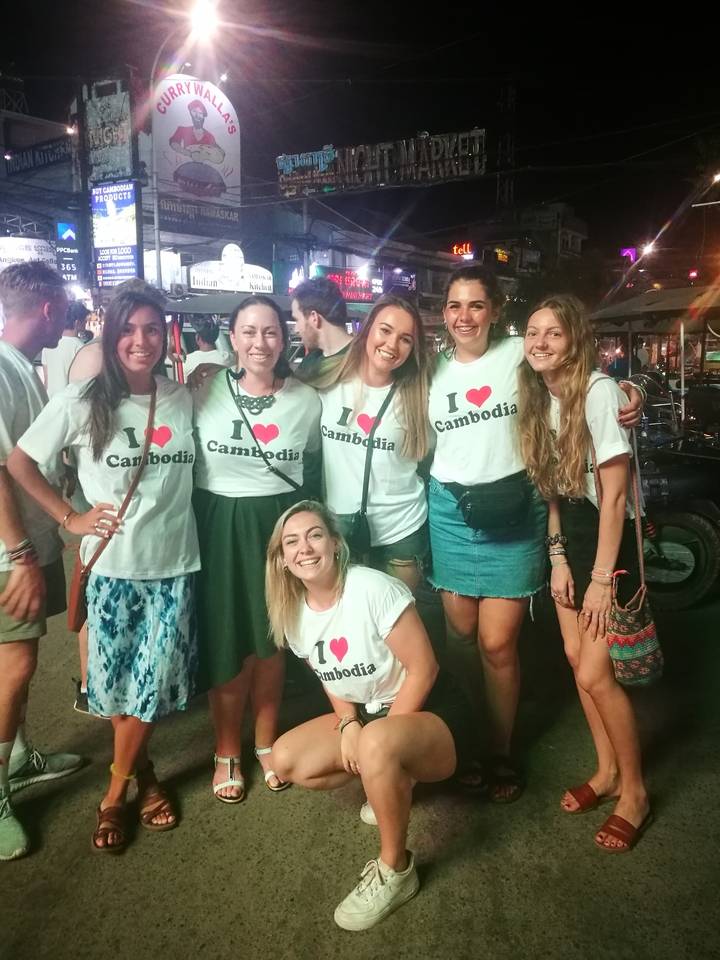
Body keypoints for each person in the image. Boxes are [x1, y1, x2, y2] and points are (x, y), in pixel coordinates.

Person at [427, 265, 643, 801]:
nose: (464, 315)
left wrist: (629, 388)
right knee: (460, 638)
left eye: (476, 304)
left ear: (496, 311)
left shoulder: (519, 353)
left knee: (497, 642)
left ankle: (499, 751)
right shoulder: (428, 368)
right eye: (455, 305)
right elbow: (362, 364)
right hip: (451, 512)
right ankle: (467, 740)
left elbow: (582, 369)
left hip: (520, 510)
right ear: (444, 313)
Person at [8, 287, 200, 854]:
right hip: (111, 568)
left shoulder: (183, 397)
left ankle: (114, 794)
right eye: (129, 329)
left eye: (152, 329)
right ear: (110, 333)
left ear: (166, 336)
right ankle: (148, 779)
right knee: (119, 690)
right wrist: (70, 516)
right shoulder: (81, 399)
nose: (141, 341)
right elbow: (19, 461)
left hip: (175, 565)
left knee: (152, 682)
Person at [265, 501, 474, 931]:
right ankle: (394, 778)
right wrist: (347, 722)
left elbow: (424, 669)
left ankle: (396, 870)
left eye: (315, 535)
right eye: (292, 541)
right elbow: (331, 678)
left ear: (336, 544)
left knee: (377, 743)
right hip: (369, 713)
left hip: (433, 712)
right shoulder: (292, 614)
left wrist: (374, 734)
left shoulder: (373, 588)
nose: (304, 547)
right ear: (282, 560)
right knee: (286, 759)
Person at [519, 294, 652, 852]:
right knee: (577, 662)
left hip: (606, 537)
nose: (540, 343)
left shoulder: (597, 392)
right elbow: (553, 493)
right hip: (569, 534)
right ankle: (606, 773)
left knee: (598, 673)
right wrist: (555, 558)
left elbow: (616, 495)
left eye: (554, 333)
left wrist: (600, 577)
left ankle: (637, 793)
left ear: (574, 339)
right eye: (532, 333)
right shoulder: (538, 396)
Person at [192, 294, 321, 802]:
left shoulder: (305, 400)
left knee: (273, 637)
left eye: (270, 331)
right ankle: (227, 748)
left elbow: (310, 462)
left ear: (284, 337)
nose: (259, 342)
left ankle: (265, 742)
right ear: (232, 337)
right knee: (228, 637)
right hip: (220, 524)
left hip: (278, 526)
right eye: (248, 331)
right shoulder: (203, 389)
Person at [0, 262, 83, 862]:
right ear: (50, 309)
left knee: (18, 664)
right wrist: (21, 554)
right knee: (15, 665)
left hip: (29, 544)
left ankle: (19, 755)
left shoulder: (21, 365)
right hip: (11, 552)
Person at [307, 295, 430, 593]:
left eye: (405, 339)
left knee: (395, 629)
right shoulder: (327, 381)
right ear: (367, 329)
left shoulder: (419, 395)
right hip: (339, 530)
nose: (391, 345)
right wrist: (216, 370)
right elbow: (274, 385)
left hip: (402, 531)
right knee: (348, 627)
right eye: (385, 330)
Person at [291, 276, 352, 375]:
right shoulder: (310, 360)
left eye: (297, 320)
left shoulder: (362, 360)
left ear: (314, 318)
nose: (296, 329)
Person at [41, 300, 87, 397]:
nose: (86, 323)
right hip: (69, 405)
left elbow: (47, 382)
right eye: (85, 321)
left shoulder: (49, 345)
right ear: (77, 323)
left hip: (50, 402)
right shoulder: (81, 349)